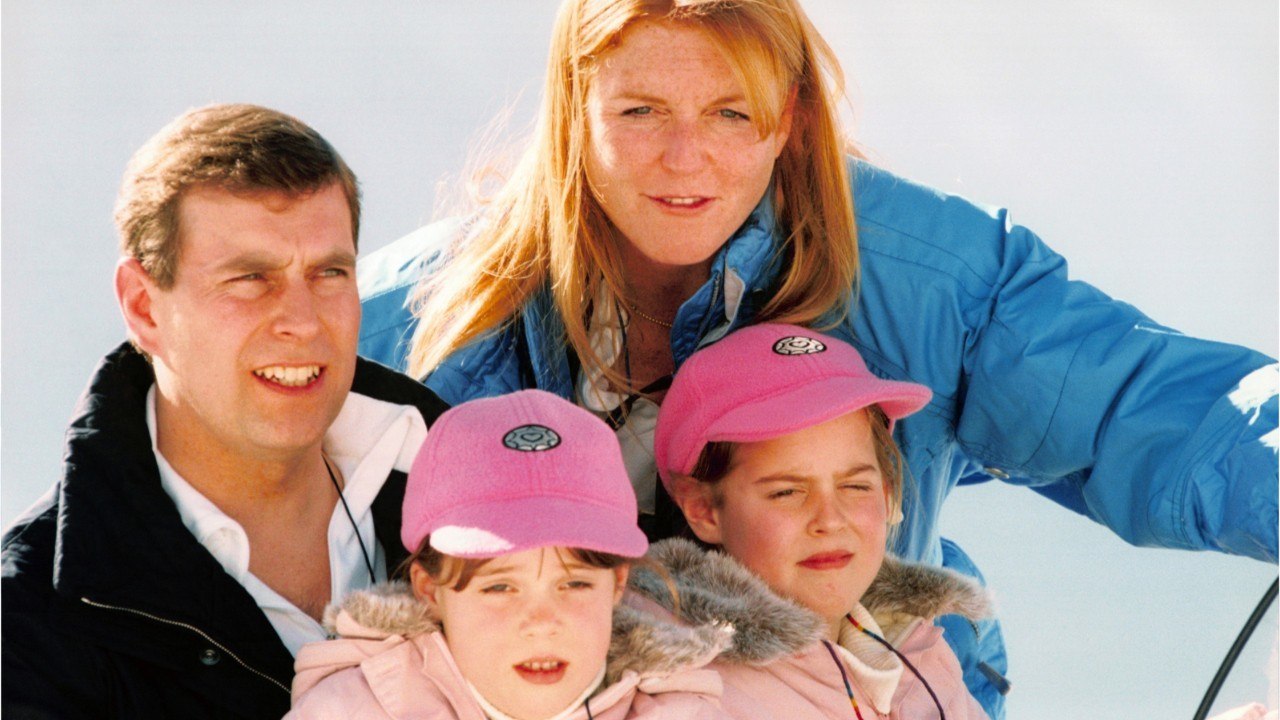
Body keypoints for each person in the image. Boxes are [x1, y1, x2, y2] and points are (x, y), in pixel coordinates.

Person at [354, 0, 1279, 714]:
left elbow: (1150, 407)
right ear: (575, 109)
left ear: (790, 115)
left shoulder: (928, 279)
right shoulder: (420, 317)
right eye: (640, 111)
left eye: (731, 113)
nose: (687, 158)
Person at [1, 104, 449, 719]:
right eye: (250, 278)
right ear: (143, 307)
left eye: (329, 273)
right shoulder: (29, 633)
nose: (302, 321)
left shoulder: (486, 502)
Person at [288, 389, 732, 720]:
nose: (541, 623)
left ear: (617, 583)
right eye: (500, 586)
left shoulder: (685, 709)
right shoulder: (352, 709)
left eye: (574, 583)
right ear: (430, 590)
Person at [626, 323, 989, 718]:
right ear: (702, 508)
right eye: (787, 492)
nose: (830, 520)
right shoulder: (684, 693)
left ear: (886, 491)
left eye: (855, 486)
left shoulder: (924, 657)